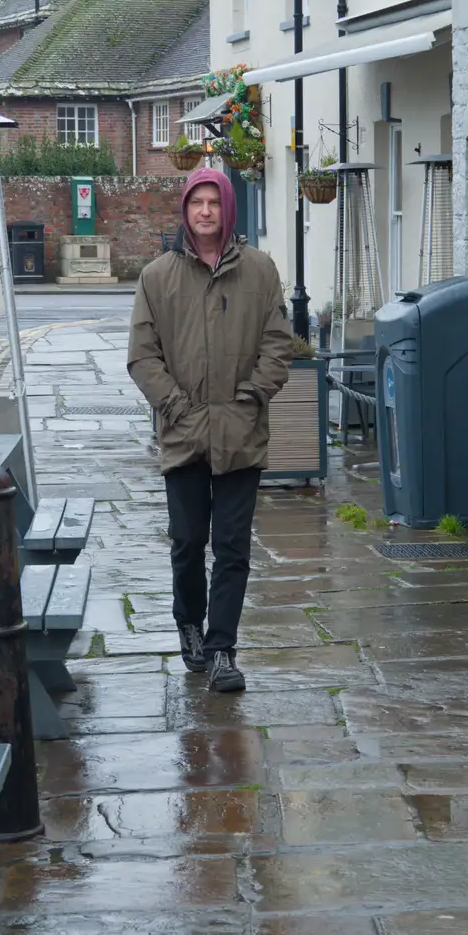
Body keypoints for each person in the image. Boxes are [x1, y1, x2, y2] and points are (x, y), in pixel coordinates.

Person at [128, 168, 293, 692]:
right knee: (187, 540)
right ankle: (189, 622)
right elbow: (142, 355)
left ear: (228, 209)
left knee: (232, 546)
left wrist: (250, 398)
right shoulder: (157, 277)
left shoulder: (261, 271)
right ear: (185, 210)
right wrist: (174, 406)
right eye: (196, 202)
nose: (204, 212)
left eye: (213, 203)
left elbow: (277, 344)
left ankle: (223, 648)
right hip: (183, 431)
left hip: (240, 432)